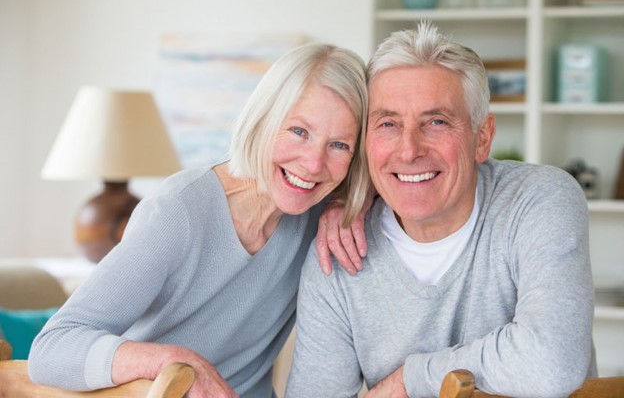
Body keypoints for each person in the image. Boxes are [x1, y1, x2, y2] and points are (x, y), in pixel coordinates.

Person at [28, 42, 368, 398]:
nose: (313, 163)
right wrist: (173, 361)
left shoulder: (320, 214)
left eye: (339, 145)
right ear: (263, 120)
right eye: (299, 131)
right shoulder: (178, 212)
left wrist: (348, 203)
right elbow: (52, 348)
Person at [286, 21, 596, 398]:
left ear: (482, 138)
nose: (408, 150)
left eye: (436, 122)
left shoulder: (538, 201)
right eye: (387, 123)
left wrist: (410, 379)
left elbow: (550, 363)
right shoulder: (338, 251)